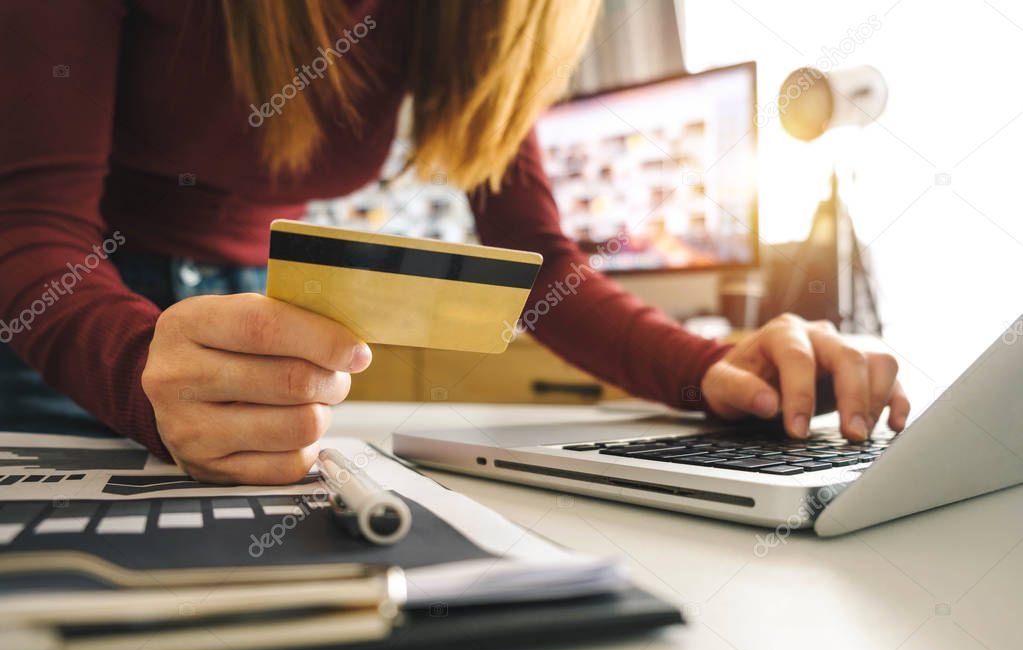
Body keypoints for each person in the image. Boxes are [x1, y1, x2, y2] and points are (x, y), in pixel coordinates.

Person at [0, 0, 909, 484]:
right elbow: (31, 224)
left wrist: (712, 367)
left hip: (240, 304)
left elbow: (537, 266)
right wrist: (132, 370)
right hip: (58, 310)